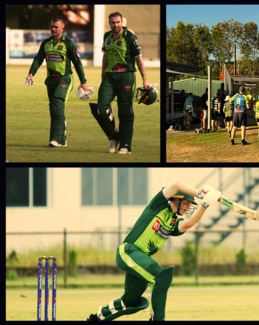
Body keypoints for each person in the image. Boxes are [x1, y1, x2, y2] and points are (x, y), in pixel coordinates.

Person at [85, 181, 222, 321]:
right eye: (186, 203)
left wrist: (205, 205)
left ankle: (95, 318)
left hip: (140, 259)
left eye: (190, 205)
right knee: (161, 276)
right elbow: (176, 185)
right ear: (177, 199)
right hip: (128, 251)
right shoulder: (158, 205)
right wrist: (200, 194)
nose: (188, 208)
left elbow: (189, 223)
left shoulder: (173, 223)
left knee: (130, 302)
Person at [26, 16, 90, 148]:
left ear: (62, 28)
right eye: (51, 26)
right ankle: (62, 139)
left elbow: (77, 63)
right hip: (51, 80)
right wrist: (31, 74)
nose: (53, 29)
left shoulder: (69, 43)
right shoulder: (46, 43)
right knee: (54, 109)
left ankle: (54, 139)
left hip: (65, 79)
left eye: (56, 27)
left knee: (57, 103)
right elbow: (38, 59)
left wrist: (83, 82)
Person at [94, 12, 152, 154]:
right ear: (110, 23)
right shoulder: (106, 36)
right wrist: (103, 74)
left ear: (122, 22)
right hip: (109, 76)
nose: (116, 25)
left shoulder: (130, 38)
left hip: (126, 77)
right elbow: (105, 56)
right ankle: (114, 137)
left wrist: (145, 78)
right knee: (100, 108)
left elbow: (139, 59)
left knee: (125, 111)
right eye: (113, 23)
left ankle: (125, 145)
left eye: (118, 22)